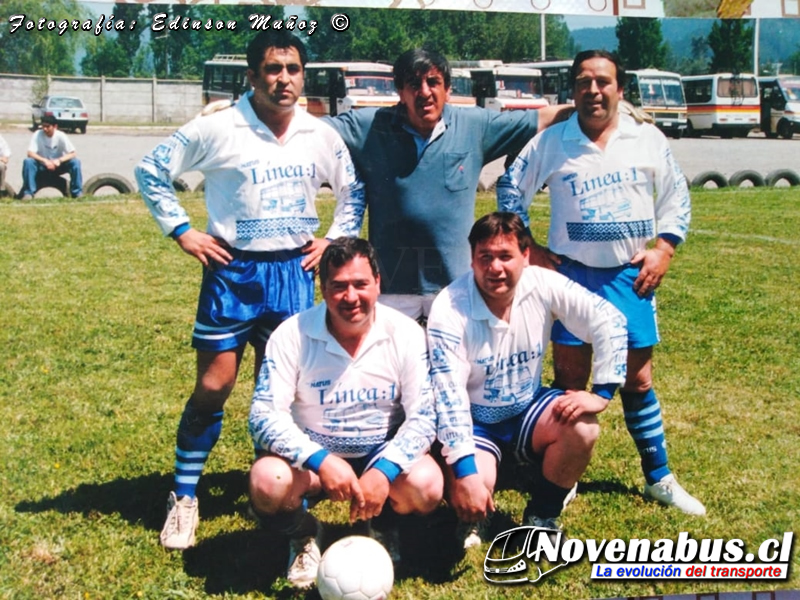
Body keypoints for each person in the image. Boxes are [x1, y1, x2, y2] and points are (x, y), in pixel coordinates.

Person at [134, 30, 365, 551]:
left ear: (303, 75)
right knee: (215, 386)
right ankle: (185, 496)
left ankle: (282, 498)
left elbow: (354, 189)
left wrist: (333, 238)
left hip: (291, 275)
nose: (284, 79)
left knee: (282, 396)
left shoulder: (320, 133)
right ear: (252, 76)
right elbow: (150, 170)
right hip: (232, 272)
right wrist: (183, 230)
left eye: (292, 69)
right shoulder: (218, 127)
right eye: (272, 69)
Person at [495, 49, 705, 516]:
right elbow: (511, 188)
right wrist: (529, 248)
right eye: (584, 81)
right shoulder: (554, 139)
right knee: (571, 379)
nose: (593, 90)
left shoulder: (646, 137)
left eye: (603, 81)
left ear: (619, 88)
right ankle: (561, 475)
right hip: (571, 275)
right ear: (572, 89)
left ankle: (658, 476)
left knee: (637, 378)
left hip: (629, 277)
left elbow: (676, 194)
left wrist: (664, 248)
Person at [248, 237, 442, 589]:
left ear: (378, 283)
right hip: (315, 457)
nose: (350, 297)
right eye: (338, 286)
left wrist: (384, 470)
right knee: (267, 482)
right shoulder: (291, 334)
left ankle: (382, 525)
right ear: (322, 288)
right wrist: (320, 459)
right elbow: (262, 416)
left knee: (427, 486)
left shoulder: (407, 333)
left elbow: (425, 417)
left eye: (360, 284)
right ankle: (305, 535)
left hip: (379, 451)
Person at [326, 48, 574, 322]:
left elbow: (540, 119)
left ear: (448, 89)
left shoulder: (475, 125)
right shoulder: (370, 126)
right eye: (413, 84)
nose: (424, 92)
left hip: (454, 284)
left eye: (433, 82)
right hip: (390, 286)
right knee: (393, 363)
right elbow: (312, 131)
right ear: (400, 90)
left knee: (456, 363)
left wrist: (594, 108)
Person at [429, 212, 628, 548]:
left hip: (526, 408)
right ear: (472, 258)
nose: (495, 268)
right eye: (485, 257)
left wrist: (603, 391)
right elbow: (449, 401)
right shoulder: (449, 308)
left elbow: (607, 318)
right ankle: (477, 512)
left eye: (506, 256)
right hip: (475, 420)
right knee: (476, 481)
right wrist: (464, 473)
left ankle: (542, 513)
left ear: (526, 256)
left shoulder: (542, 281)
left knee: (583, 427)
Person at [20, 115, 83, 199]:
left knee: (75, 162)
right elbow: (30, 153)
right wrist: (44, 160)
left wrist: (59, 160)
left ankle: (77, 192)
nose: (45, 129)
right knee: (28, 162)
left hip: (58, 166)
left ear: (55, 126)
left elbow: (72, 153)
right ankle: (28, 193)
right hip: (42, 165)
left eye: (47, 127)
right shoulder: (37, 134)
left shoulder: (61, 136)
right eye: (43, 126)